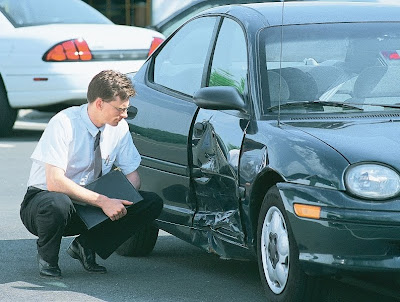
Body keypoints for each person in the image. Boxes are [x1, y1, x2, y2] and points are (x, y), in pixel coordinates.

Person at [20, 69, 163, 278]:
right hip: (46, 203)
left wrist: (121, 201)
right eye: (120, 109)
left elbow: (133, 177)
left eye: (127, 109)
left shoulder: (119, 127)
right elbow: (54, 182)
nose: (124, 115)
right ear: (99, 103)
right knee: (57, 202)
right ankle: (48, 259)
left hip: (92, 200)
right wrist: (104, 201)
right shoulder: (64, 123)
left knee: (150, 202)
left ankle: (86, 246)